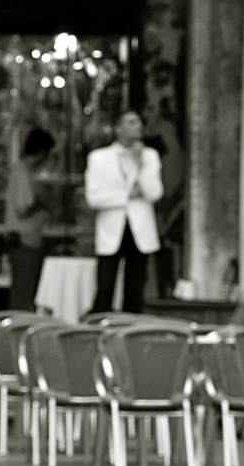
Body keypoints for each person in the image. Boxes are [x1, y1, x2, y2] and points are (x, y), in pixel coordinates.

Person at [84, 110, 164, 314]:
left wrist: (139, 163)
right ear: (118, 128)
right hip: (112, 230)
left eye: (139, 122)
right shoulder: (98, 158)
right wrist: (127, 196)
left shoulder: (149, 156)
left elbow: (154, 192)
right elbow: (94, 198)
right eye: (131, 122)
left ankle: (130, 334)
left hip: (139, 229)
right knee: (105, 285)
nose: (138, 126)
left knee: (135, 288)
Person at [5, 127, 55, 312]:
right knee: (24, 294)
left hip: (25, 241)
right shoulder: (23, 172)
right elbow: (23, 207)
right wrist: (42, 204)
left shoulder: (20, 170)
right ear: (41, 152)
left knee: (23, 291)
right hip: (25, 242)